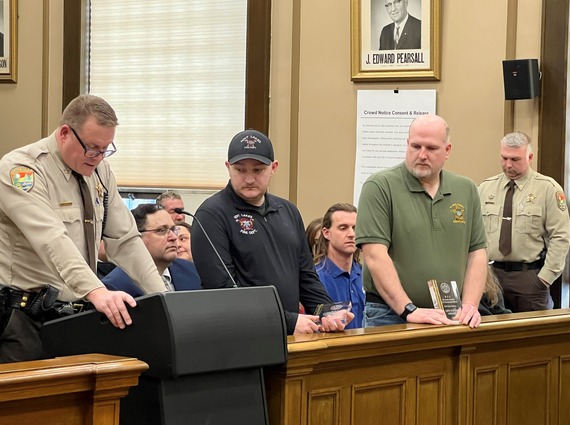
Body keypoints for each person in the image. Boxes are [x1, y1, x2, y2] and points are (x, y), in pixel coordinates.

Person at [0, 94, 166, 362]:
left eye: (106, 149)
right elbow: (52, 239)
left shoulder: (100, 172)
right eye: (92, 148)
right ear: (65, 133)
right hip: (23, 319)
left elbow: (125, 240)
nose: (98, 157)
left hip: (72, 317)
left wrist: (162, 298)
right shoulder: (21, 170)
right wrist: (97, 291)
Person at [191, 129, 354, 335]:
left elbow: (306, 276)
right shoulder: (211, 214)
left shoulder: (288, 211)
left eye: (258, 170)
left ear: (273, 168)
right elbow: (223, 291)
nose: (249, 179)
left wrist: (328, 312)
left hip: (290, 336)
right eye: (240, 170)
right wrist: (287, 321)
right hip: (241, 337)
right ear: (228, 167)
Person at [356, 114, 487, 329]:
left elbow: (477, 253)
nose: (422, 155)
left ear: (447, 150)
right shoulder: (379, 186)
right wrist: (408, 309)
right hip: (390, 314)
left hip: (451, 313)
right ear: (407, 144)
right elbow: (374, 256)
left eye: (431, 148)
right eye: (415, 146)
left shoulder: (466, 189)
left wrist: (470, 306)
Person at [478, 131, 570, 312]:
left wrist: (544, 278)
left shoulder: (548, 189)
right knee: (493, 336)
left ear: (530, 157)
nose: (508, 165)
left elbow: (560, 236)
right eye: (504, 158)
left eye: (515, 159)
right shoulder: (485, 188)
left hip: (529, 278)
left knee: (533, 337)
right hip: (491, 277)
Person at [103, 204, 201, 296]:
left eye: (173, 229)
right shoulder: (115, 286)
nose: (173, 237)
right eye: (161, 230)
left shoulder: (191, 270)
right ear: (137, 238)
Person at [314, 203, 365, 329]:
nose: (351, 234)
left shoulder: (367, 276)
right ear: (326, 233)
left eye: (355, 228)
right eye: (343, 228)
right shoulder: (315, 278)